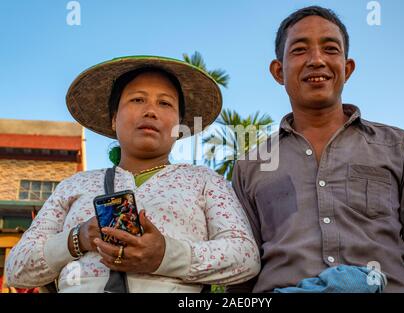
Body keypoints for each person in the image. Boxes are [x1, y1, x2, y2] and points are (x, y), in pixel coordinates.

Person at [229, 6, 404, 293]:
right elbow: (241, 272)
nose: (317, 60)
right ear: (278, 71)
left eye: (331, 49)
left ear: (347, 68)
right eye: (299, 50)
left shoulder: (400, 147)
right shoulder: (250, 166)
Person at [5, 56, 260, 292]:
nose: (151, 110)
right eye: (137, 99)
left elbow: (245, 256)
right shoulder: (74, 185)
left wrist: (165, 255)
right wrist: (79, 238)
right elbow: (16, 269)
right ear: (114, 119)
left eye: (165, 103)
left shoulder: (204, 181)